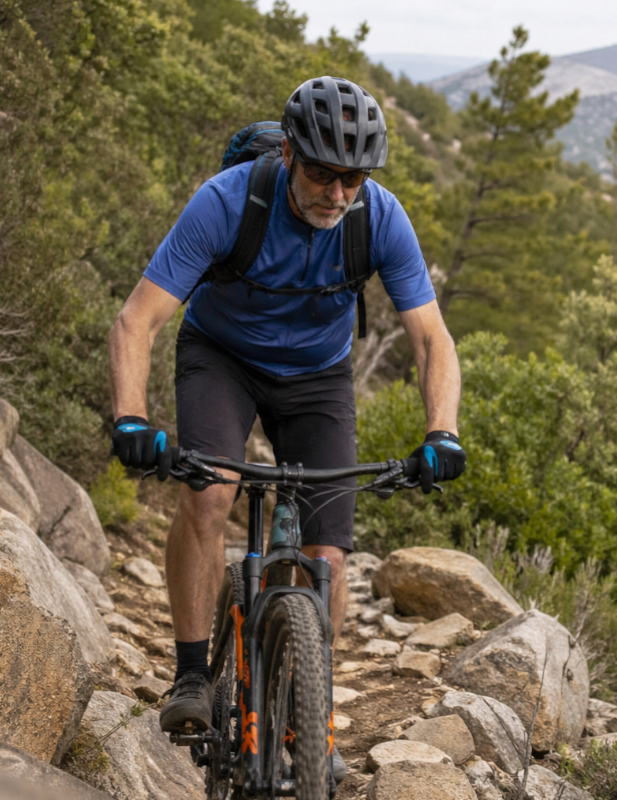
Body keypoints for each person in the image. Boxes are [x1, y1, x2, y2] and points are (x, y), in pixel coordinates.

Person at [106, 77, 465, 774]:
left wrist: (441, 431)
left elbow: (431, 339)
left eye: (352, 179)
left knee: (328, 557)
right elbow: (138, 320)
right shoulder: (227, 202)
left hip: (317, 378)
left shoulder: (379, 217)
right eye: (323, 175)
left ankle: (305, 724)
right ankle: (189, 675)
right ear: (291, 156)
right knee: (211, 493)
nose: (337, 194)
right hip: (222, 357)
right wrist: (131, 420)